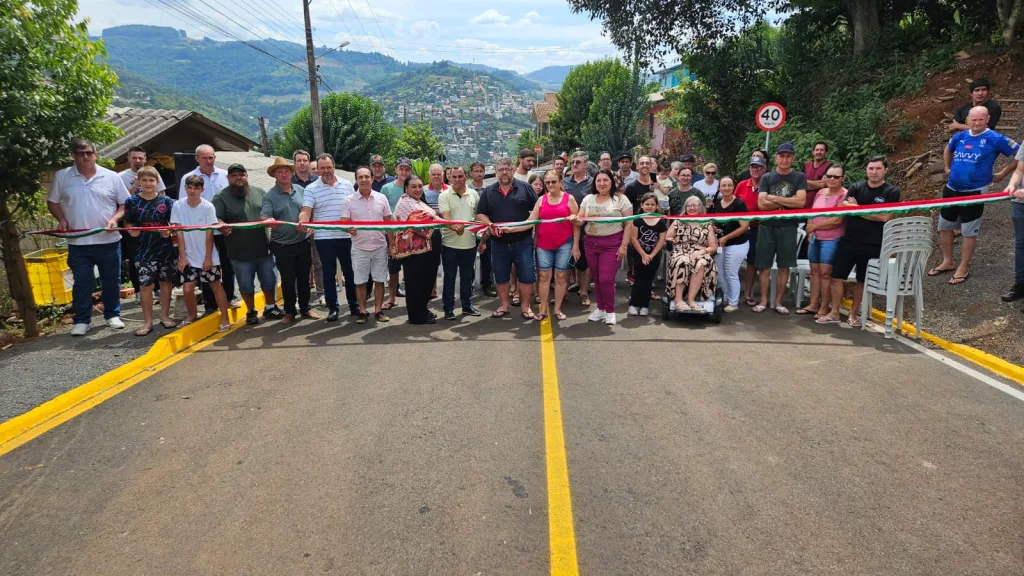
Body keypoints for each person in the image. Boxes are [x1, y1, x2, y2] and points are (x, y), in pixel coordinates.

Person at [47, 139, 130, 336]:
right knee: (82, 282)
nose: (86, 157)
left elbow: (125, 204)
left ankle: (112, 315)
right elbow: (52, 201)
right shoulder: (62, 176)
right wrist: (61, 219)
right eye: (81, 153)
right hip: (78, 242)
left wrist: (114, 219)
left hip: (108, 241)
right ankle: (82, 320)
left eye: (89, 153)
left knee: (111, 280)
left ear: (96, 154)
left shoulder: (111, 176)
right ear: (73, 156)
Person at [929, 106, 1019, 284]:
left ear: (987, 119)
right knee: (944, 226)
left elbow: (1019, 153)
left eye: (980, 119)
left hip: (975, 191)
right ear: (968, 120)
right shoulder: (960, 136)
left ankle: (963, 266)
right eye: (974, 120)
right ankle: (947, 261)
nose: (977, 123)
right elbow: (948, 149)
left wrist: (1002, 174)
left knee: (969, 230)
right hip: (951, 188)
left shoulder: (995, 138)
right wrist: (947, 167)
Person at [818, 156, 900, 326]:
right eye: (871, 168)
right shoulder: (856, 187)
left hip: (873, 244)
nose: (874, 172)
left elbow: (884, 217)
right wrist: (869, 212)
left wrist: (857, 209)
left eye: (878, 168)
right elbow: (844, 206)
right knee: (836, 276)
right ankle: (834, 312)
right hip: (849, 240)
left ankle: (853, 315)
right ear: (866, 170)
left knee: (862, 281)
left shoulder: (891, 192)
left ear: (885, 170)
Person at [212, 164, 283, 325]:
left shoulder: (260, 192)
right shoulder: (221, 197)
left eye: (242, 174)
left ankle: (270, 307)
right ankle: (251, 311)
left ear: (247, 176)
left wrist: (271, 220)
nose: (239, 178)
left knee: (269, 280)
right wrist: (222, 225)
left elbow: (269, 212)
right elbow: (217, 218)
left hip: (263, 248)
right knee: (246, 285)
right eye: (234, 175)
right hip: (239, 252)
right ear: (228, 178)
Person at [476, 157, 539, 319]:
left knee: (527, 276)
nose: (504, 172)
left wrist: (531, 229)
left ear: (513, 170)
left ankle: (526, 307)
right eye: (501, 170)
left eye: (507, 169)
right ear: (496, 172)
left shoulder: (525, 188)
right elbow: (480, 213)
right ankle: (504, 305)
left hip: (523, 241)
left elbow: (538, 210)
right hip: (498, 243)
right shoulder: (488, 192)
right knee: (501, 276)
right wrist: (490, 225)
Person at [178, 144, 237, 312]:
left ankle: (230, 296)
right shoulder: (188, 178)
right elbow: (184, 205)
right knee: (205, 265)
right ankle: (210, 304)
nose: (209, 161)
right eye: (205, 158)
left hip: (224, 229)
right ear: (197, 159)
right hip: (201, 232)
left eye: (211, 157)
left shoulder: (225, 175)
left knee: (227, 264)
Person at [299, 153, 357, 322]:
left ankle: (354, 305)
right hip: (324, 239)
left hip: (346, 237)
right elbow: (306, 211)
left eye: (328, 167)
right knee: (328, 274)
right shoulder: (311, 189)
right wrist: (302, 221)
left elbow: (353, 208)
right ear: (317, 170)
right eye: (322, 168)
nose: (326, 171)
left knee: (350, 273)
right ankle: (333, 308)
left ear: (334, 167)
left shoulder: (347, 184)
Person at [261, 157, 318, 324]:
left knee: (304, 277)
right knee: (287, 279)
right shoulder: (270, 196)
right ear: (274, 175)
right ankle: (290, 311)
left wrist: (309, 224)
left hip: (302, 241)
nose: (284, 174)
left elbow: (308, 210)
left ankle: (306, 308)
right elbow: (265, 217)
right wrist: (269, 221)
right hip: (282, 245)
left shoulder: (300, 190)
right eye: (280, 172)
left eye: (286, 171)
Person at [171, 175, 230, 332]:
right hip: (188, 256)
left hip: (206, 255)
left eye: (196, 188)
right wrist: (182, 257)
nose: (192, 191)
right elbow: (179, 232)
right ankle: (192, 315)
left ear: (202, 190)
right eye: (190, 187)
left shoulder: (208, 207)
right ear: (185, 188)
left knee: (216, 285)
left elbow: (210, 233)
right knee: (187, 289)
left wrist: (208, 257)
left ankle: (225, 318)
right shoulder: (178, 205)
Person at [754, 142, 807, 315]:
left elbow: (801, 202)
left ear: (793, 158)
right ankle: (763, 300)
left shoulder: (799, 177)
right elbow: (762, 204)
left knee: (785, 266)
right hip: (766, 225)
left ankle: (778, 302)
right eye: (781, 156)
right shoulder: (767, 177)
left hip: (788, 226)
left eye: (788, 156)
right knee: (764, 266)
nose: (784, 159)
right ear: (776, 158)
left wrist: (774, 199)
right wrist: (787, 202)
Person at [122, 167, 176, 335]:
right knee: (145, 285)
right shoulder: (131, 201)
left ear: (157, 182)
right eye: (144, 180)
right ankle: (147, 323)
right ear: (138, 181)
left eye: (151, 180)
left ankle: (165, 317)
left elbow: (174, 224)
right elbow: (127, 223)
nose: (148, 183)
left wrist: (169, 231)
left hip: (165, 250)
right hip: (142, 250)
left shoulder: (167, 201)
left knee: (165, 283)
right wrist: (131, 230)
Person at [577, 168, 633, 325]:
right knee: (597, 279)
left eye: (605, 180)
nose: (602, 183)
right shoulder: (588, 199)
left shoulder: (621, 199)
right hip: (591, 243)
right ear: (594, 183)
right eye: (599, 180)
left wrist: (623, 246)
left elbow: (629, 224)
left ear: (612, 182)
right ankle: (600, 309)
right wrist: (573, 218)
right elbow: (580, 220)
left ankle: (610, 311)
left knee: (606, 279)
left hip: (612, 244)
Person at [341, 166, 394, 323]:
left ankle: (378, 311)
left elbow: (388, 223)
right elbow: (344, 223)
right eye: (360, 177)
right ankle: (363, 312)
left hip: (380, 246)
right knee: (360, 282)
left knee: (379, 280)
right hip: (359, 247)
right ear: (356, 180)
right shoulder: (348, 201)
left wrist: (392, 244)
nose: (364, 180)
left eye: (366, 177)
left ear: (372, 178)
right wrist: (348, 229)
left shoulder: (381, 198)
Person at [528, 170, 580, 321]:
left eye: (553, 181)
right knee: (544, 277)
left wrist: (575, 246)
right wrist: (509, 228)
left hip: (564, 244)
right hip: (543, 245)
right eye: (547, 182)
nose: (550, 184)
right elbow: (530, 221)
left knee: (561, 277)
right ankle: (543, 309)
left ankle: (557, 309)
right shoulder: (541, 200)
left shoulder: (569, 199)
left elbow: (577, 224)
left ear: (560, 182)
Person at [798, 164, 847, 318]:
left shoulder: (844, 195)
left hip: (831, 239)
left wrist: (814, 226)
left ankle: (824, 307)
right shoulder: (820, 192)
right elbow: (812, 213)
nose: (832, 179)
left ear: (842, 178)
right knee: (814, 272)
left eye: (836, 177)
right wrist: (810, 229)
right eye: (829, 176)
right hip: (815, 238)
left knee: (826, 273)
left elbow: (837, 220)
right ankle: (813, 304)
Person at [392, 176, 440, 325]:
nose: (418, 189)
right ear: (406, 188)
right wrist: (450, 224)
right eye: (413, 186)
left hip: (427, 249)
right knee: (416, 283)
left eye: (420, 186)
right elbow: (426, 221)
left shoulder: (419, 201)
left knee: (426, 281)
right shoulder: (405, 202)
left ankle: (422, 309)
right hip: (415, 252)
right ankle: (416, 316)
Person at [437, 166, 481, 320]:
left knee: (467, 277)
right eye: (454, 177)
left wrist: (483, 234)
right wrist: (455, 227)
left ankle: (467, 306)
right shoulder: (444, 195)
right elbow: (446, 217)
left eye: (460, 176)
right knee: (449, 277)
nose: (457, 180)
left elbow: (478, 217)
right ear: (449, 178)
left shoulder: (474, 194)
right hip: (450, 245)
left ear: (465, 177)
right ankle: (448, 309)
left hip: (469, 244)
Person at [667, 196, 719, 311]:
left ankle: (691, 300)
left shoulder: (707, 223)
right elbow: (668, 238)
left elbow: (713, 246)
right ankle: (678, 300)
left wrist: (702, 251)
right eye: (689, 206)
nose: (692, 208)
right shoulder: (678, 221)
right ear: (685, 208)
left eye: (695, 205)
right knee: (683, 261)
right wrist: (671, 241)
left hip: (700, 251)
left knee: (701, 262)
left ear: (700, 208)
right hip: (681, 250)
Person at [709, 176, 750, 311]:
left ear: (733, 187)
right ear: (719, 188)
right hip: (721, 244)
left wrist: (726, 237)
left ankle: (733, 302)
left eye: (729, 185)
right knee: (720, 273)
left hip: (737, 243)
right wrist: (714, 228)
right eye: (724, 185)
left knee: (731, 273)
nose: (726, 188)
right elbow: (712, 220)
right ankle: (725, 298)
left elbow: (744, 226)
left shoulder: (739, 204)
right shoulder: (716, 203)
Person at [380, 158, 413, 309]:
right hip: (393, 235)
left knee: (411, 270)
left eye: (407, 169)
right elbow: (382, 213)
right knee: (393, 269)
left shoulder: (414, 187)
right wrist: (390, 238)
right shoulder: (386, 188)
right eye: (401, 169)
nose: (404, 172)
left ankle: (413, 300)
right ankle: (391, 298)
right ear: (396, 170)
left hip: (412, 235)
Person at [627, 193, 667, 316]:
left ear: (656, 206)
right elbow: (633, 238)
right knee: (639, 279)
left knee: (648, 281)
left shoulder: (661, 221)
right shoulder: (637, 220)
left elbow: (661, 240)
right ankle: (634, 304)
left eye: (652, 204)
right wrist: (643, 254)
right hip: (639, 254)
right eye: (647, 204)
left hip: (654, 256)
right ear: (642, 205)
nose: (649, 206)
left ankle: (644, 305)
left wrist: (652, 255)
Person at [563, 151, 594, 306]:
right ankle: (563, 293)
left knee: (583, 264)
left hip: (586, 231)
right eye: (573, 162)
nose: (574, 165)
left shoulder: (593, 183)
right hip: (565, 230)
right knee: (565, 263)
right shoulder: (564, 182)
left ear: (586, 165)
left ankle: (584, 292)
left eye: (578, 162)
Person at [735, 155, 766, 306]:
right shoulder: (742, 185)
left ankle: (748, 294)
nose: (755, 169)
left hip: (758, 228)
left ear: (764, 169)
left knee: (752, 262)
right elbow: (733, 203)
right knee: (733, 260)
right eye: (753, 166)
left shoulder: (767, 185)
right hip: (740, 228)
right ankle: (730, 292)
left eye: (759, 167)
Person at [468, 161, 495, 297]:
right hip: (470, 230)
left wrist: (489, 227)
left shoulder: (490, 189)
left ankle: (487, 285)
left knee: (487, 260)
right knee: (469, 259)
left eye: (481, 171)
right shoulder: (466, 189)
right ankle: (469, 284)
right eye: (476, 171)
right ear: (471, 173)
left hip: (486, 229)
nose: (479, 174)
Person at [1002, 146, 1024, 306]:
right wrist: (1012, 185)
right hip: (1020, 202)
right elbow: (1019, 170)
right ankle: (1021, 285)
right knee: (1020, 244)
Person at [803, 141, 832, 209]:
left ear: (826, 152)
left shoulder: (830, 167)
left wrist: (806, 181)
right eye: (817, 150)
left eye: (821, 150)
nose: (819, 152)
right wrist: (818, 183)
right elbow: (800, 184)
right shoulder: (806, 165)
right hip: (804, 203)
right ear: (813, 152)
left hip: (821, 203)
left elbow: (824, 184)